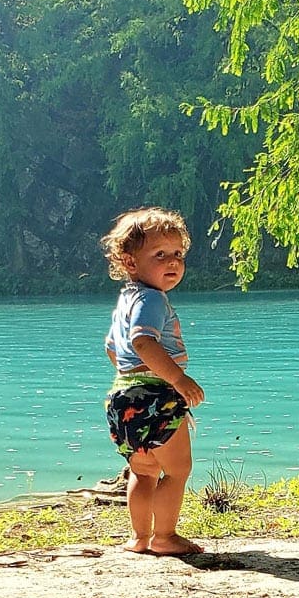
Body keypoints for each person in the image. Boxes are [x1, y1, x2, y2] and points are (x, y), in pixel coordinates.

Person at [100, 207, 205, 556]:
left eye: (178, 254)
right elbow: (143, 342)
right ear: (131, 263)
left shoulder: (125, 300)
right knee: (177, 471)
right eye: (160, 255)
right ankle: (165, 536)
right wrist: (177, 378)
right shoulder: (152, 299)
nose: (172, 262)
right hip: (155, 395)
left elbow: (111, 347)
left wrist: (129, 380)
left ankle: (139, 537)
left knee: (143, 473)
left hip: (121, 395)